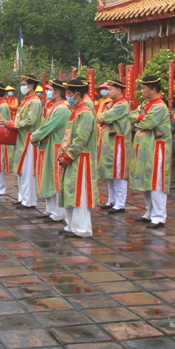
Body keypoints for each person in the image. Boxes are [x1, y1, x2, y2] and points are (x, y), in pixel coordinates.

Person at [130, 75, 172, 228]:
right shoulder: (146, 104)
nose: (141, 91)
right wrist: (140, 117)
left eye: (143, 88)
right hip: (145, 148)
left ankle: (159, 216)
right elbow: (130, 116)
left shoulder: (160, 106)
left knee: (156, 182)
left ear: (153, 89)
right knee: (146, 181)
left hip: (157, 149)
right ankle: (149, 211)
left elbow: (148, 122)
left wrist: (139, 119)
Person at [58, 78, 98, 237]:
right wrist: (63, 151)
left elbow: (80, 139)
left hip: (80, 159)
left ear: (77, 94)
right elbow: (68, 135)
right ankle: (71, 224)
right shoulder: (76, 111)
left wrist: (68, 156)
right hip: (71, 157)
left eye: (68, 93)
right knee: (69, 190)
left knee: (78, 193)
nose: (66, 96)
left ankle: (81, 228)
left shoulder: (86, 114)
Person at [33, 81, 71, 223]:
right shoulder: (52, 107)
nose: (47, 93)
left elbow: (48, 127)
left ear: (57, 93)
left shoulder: (62, 109)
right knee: (47, 176)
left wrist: (35, 136)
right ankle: (50, 209)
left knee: (55, 178)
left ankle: (59, 212)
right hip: (48, 145)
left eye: (50, 90)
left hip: (56, 146)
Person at [97, 80, 131, 213]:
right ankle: (111, 200)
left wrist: (102, 117)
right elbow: (101, 117)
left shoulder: (121, 105)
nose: (108, 92)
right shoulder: (111, 104)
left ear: (119, 90)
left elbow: (105, 117)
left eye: (111, 89)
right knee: (110, 172)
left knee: (119, 172)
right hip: (109, 142)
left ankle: (120, 203)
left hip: (119, 143)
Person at [11, 74, 43, 209]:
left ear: (30, 86)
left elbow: (30, 121)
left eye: (24, 84)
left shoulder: (35, 102)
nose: (22, 86)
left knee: (28, 170)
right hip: (21, 138)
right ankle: (22, 197)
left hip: (29, 139)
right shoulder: (25, 101)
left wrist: (13, 124)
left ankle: (29, 200)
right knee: (21, 170)